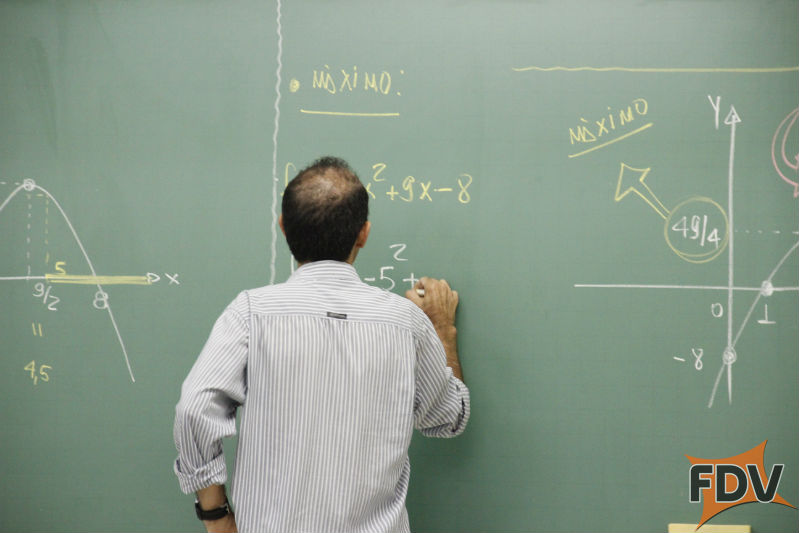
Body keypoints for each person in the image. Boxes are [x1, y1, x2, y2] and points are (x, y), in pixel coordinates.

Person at [173, 156, 470, 533]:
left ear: (283, 227)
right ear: (363, 234)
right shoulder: (406, 322)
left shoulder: (251, 313)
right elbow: (448, 417)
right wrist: (442, 329)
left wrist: (216, 519)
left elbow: (194, 409)